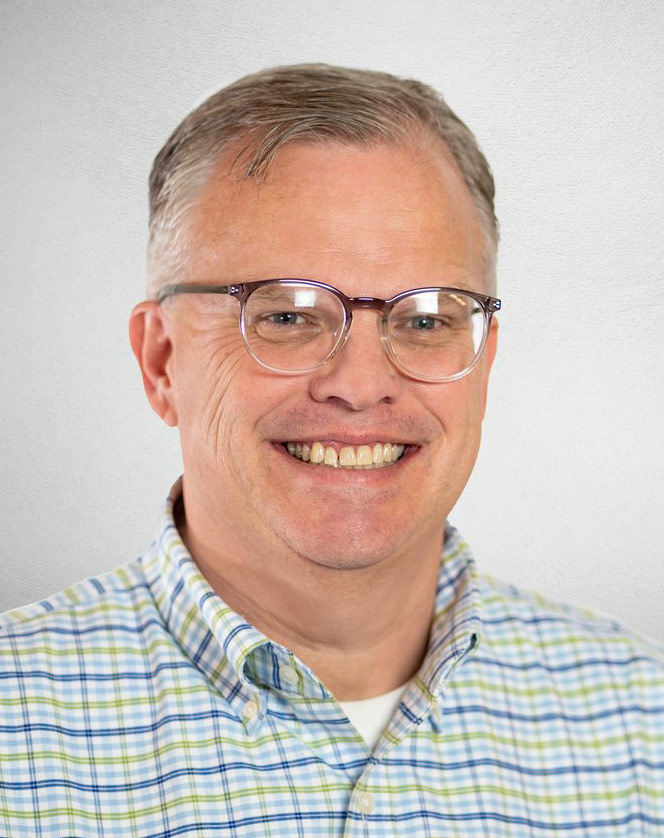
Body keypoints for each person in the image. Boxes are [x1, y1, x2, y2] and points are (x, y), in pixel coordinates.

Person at [1, 64, 662, 838]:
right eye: (286, 315)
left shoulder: (643, 720)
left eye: (424, 319)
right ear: (160, 363)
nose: (360, 384)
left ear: (484, 361)